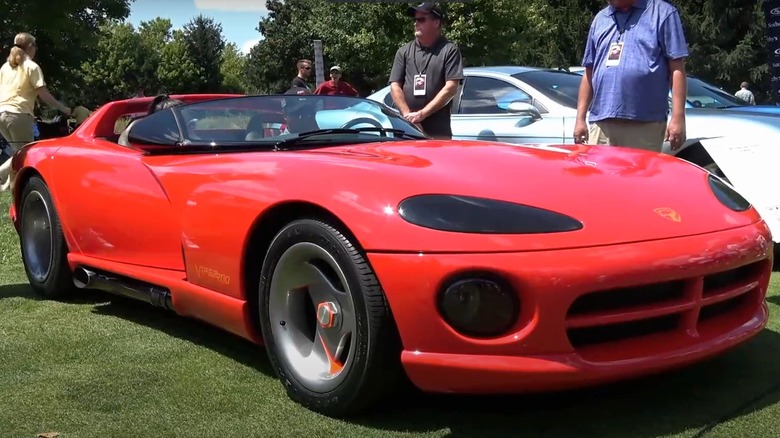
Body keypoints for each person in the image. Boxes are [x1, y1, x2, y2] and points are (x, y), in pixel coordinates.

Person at [574, 0, 689, 153]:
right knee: (601, 177)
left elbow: (677, 69)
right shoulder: (600, 19)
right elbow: (589, 73)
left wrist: (678, 117)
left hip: (645, 124)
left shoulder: (662, 13)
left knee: (638, 177)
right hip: (601, 123)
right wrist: (580, 119)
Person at [0, 32, 71, 191]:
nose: (36, 49)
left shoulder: (6, 67)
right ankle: (9, 184)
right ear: (30, 47)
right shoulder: (32, 66)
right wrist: (64, 108)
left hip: (1, 114)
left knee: (17, 153)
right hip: (18, 115)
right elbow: (44, 95)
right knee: (24, 154)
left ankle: (7, 186)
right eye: (35, 45)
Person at [388, 2, 464, 139]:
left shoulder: (449, 50)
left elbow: (451, 87)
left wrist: (422, 114)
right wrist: (409, 118)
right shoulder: (404, 51)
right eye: (415, 20)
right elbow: (394, 86)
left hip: (438, 132)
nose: (416, 23)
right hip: (408, 131)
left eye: (421, 19)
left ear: (436, 22)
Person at [117, 94, 184, 146]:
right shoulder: (143, 137)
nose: (177, 121)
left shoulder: (187, 133)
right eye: (170, 119)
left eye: (180, 117)